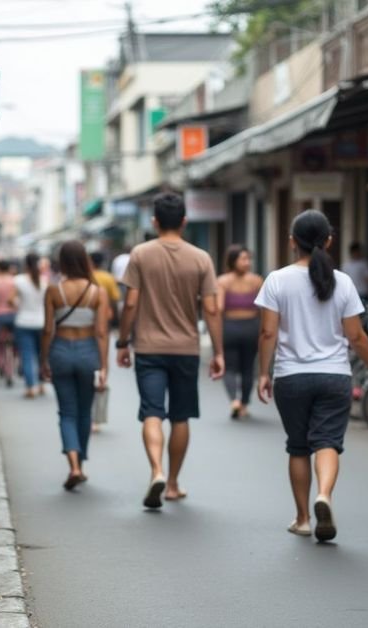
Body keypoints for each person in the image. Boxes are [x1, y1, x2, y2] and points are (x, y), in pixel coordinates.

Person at [255, 210, 368, 542]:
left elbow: (267, 334)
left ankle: (303, 518)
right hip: (334, 377)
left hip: (291, 377)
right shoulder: (343, 282)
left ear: (292, 242)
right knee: (328, 442)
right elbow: (357, 337)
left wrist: (263, 373)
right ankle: (325, 496)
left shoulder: (276, 280)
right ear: (329, 241)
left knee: (299, 447)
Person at [116, 192, 225, 509]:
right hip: (186, 348)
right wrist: (218, 352)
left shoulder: (140, 254)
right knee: (180, 416)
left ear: (154, 222)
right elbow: (212, 310)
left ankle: (157, 471)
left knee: (151, 412)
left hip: (148, 347)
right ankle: (173, 483)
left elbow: (131, 303)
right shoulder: (201, 258)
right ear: (184, 221)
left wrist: (123, 342)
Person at [41, 241, 109, 491]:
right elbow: (101, 332)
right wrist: (104, 367)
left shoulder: (53, 291)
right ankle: (80, 462)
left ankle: (73, 466)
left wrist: (43, 360)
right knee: (84, 412)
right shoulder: (97, 292)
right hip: (87, 351)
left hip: (60, 350)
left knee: (66, 412)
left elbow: (48, 329)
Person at [217, 245, 264, 419]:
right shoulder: (257, 281)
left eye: (248, 259)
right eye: (243, 259)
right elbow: (264, 308)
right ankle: (243, 404)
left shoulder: (222, 281)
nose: (247, 262)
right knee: (247, 368)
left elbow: (219, 308)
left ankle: (234, 401)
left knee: (229, 367)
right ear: (233, 261)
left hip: (229, 327)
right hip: (251, 327)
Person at [13, 253, 48, 398]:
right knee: (41, 355)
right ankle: (41, 384)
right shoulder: (44, 280)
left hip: (23, 321)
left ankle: (30, 387)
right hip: (42, 322)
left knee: (27, 356)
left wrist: (18, 304)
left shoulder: (18, 280)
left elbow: (12, 300)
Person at [0, 260, 18, 379]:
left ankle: (1, 363)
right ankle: (12, 365)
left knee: (0, 343)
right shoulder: (14, 281)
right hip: (13, 315)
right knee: (14, 343)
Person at [90, 251, 121, 323]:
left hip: (89, 315)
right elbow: (115, 299)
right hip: (106, 314)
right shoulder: (109, 277)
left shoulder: (87, 277)